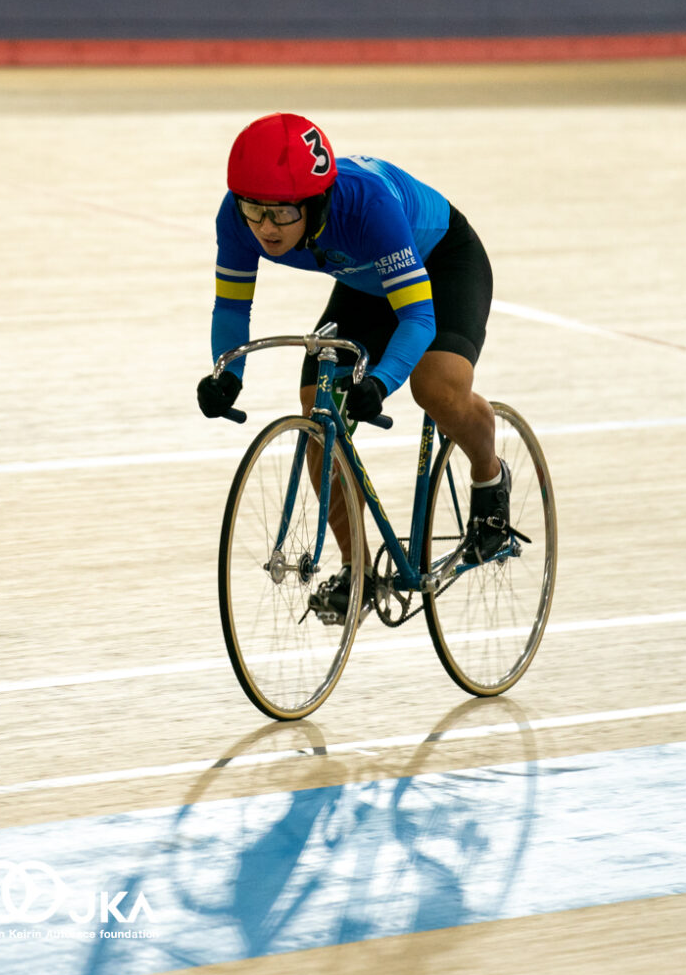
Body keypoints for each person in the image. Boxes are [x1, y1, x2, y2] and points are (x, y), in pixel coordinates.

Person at [195, 112, 510, 617]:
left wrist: (383, 382)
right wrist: (227, 375)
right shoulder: (236, 218)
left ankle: (490, 477)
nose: (264, 229)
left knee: (435, 387)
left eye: (279, 214)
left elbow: (418, 317)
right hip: (364, 277)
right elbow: (232, 307)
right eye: (253, 210)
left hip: (440, 263)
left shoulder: (368, 205)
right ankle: (359, 572)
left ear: (316, 202)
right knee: (321, 418)